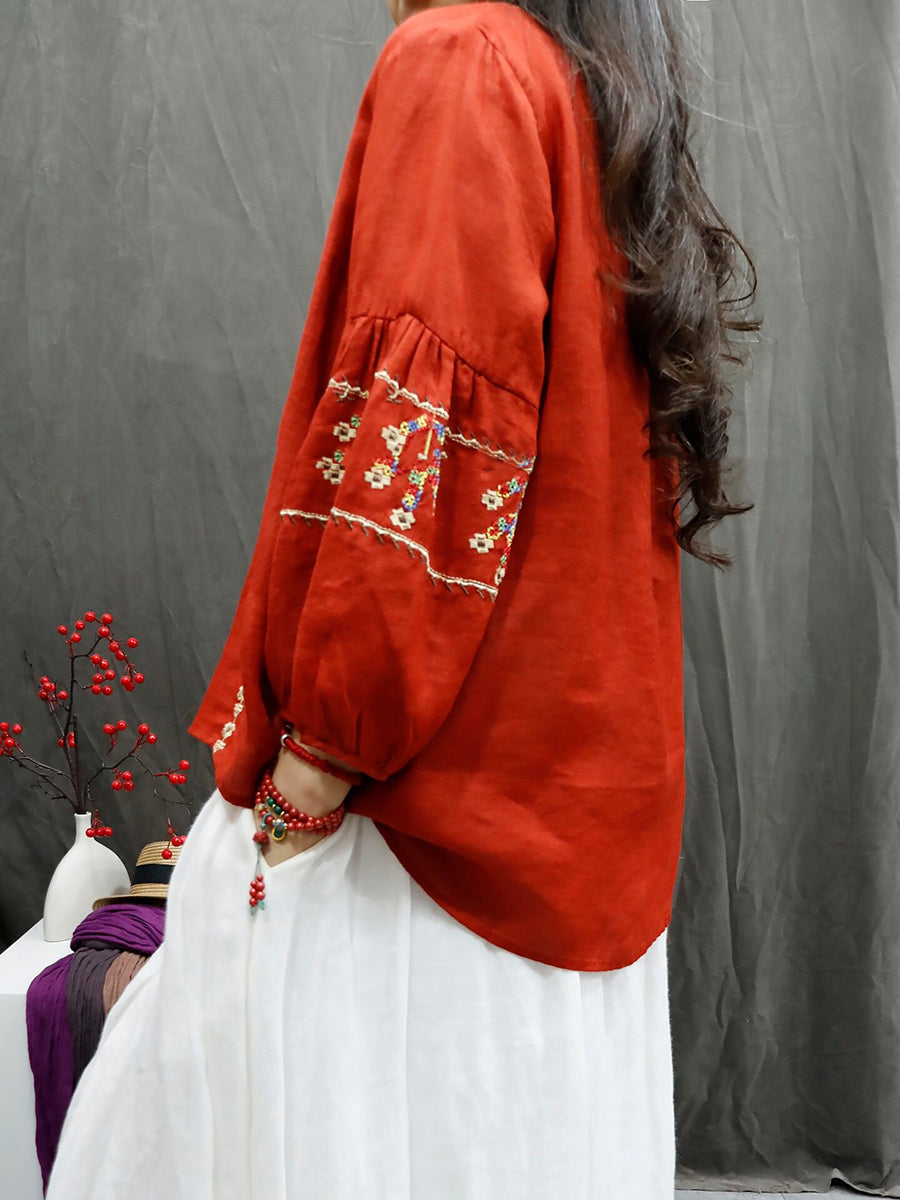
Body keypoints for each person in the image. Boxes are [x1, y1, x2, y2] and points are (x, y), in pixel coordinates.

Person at [46, 1, 759, 1197]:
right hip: (573, 817)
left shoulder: (464, 57)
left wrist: (322, 756)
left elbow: (431, 443)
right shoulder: (593, 88)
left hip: (424, 824)